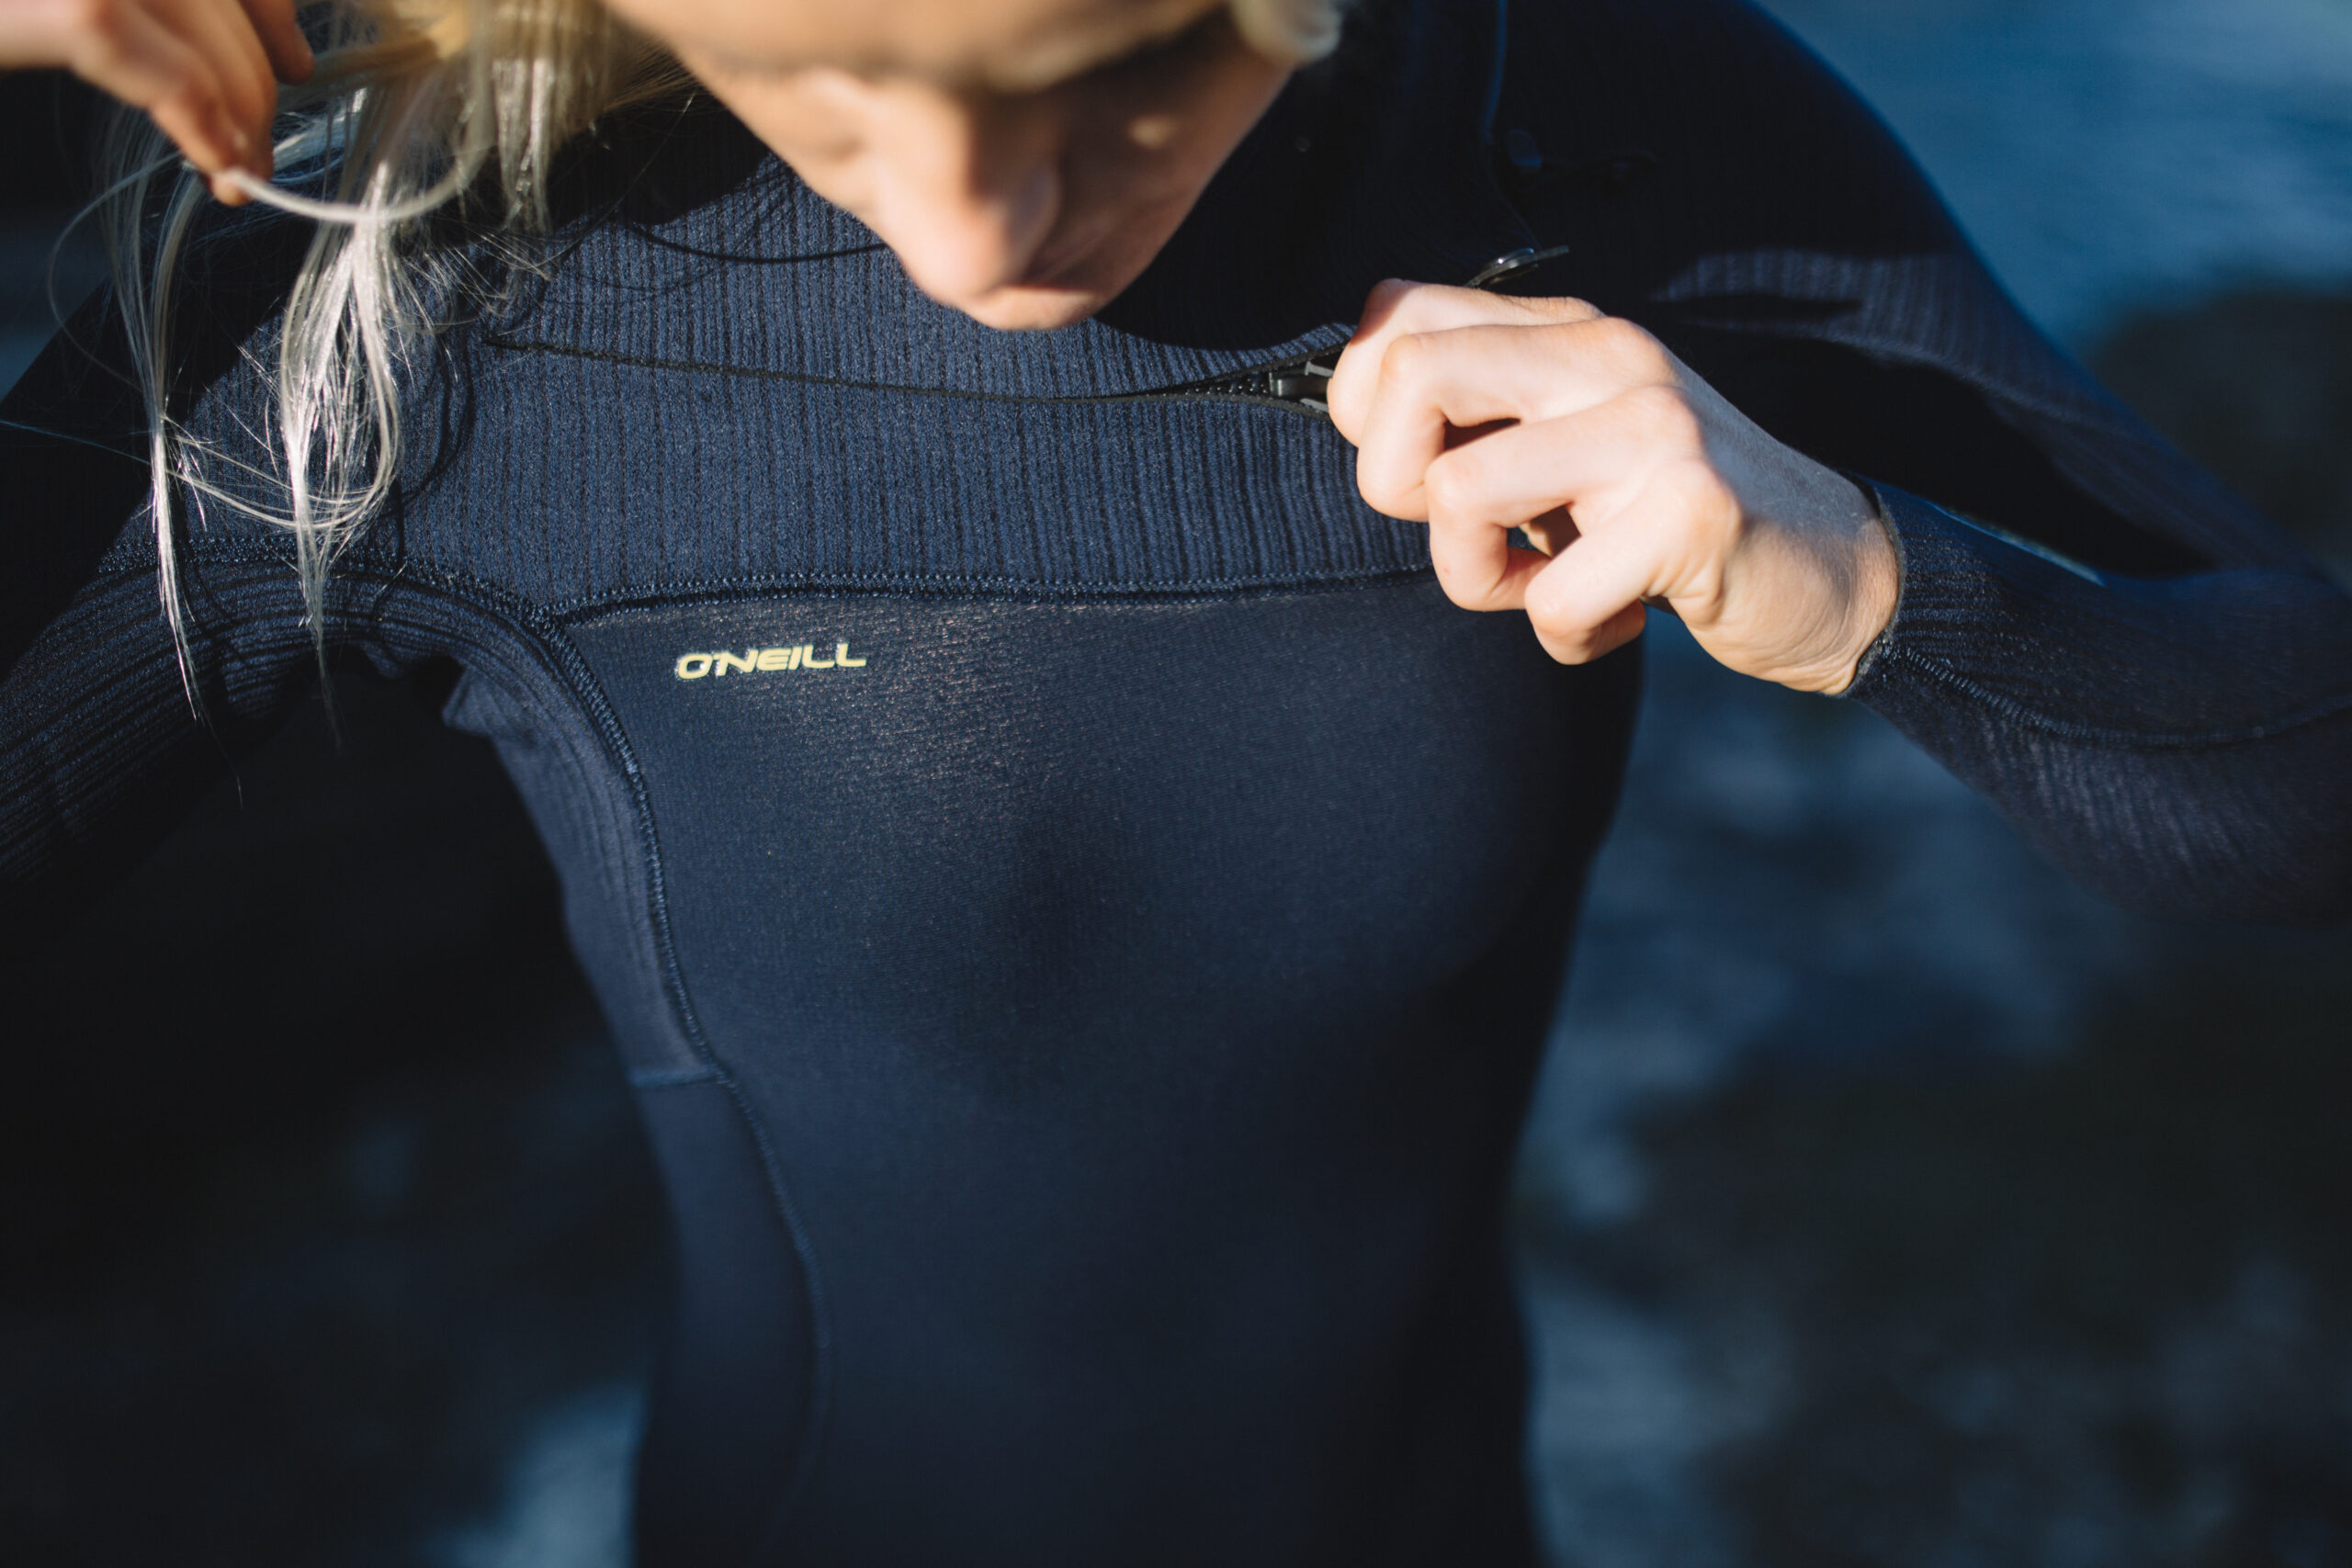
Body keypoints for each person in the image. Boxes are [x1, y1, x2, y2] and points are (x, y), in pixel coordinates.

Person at [3, 0, 2346, 1561]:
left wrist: (1861, 575)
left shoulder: (1579, 109)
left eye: (1118, 70)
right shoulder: (413, 291)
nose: (980, 230)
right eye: (826, 88)